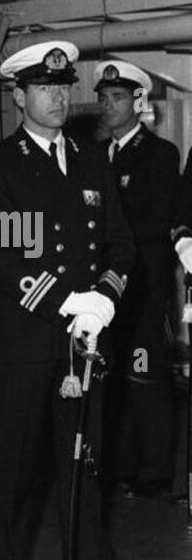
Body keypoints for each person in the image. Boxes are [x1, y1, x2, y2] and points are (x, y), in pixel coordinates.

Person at [0, 40, 140, 560]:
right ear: (19, 96)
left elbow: (121, 242)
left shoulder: (94, 160)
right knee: (9, 470)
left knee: (87, 464)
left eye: (65, 87)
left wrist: (106, 300)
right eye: (45, 88)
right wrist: (66, 299)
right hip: (30, 340)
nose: (58, 97)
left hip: (87, 339)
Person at [93, 60, 182, 497]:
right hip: (107, 288)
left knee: (146, 376)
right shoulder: (94, 157)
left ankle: (155, 472)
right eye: (104, 99)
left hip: (145, 286)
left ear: (138, 102)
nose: (109, 106)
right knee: (112, 378)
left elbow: (149, 222)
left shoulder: (159, 155)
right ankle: (119, 466)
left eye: (118, 98)